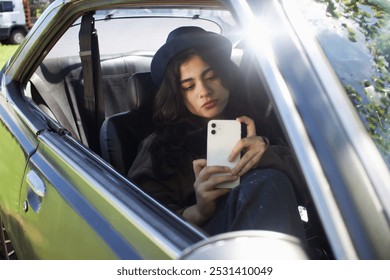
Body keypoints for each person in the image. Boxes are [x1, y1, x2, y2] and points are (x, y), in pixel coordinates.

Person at [128, 26, 307, 242]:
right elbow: (141, 223)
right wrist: (198, 210)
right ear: (177, 95)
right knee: (267, 182)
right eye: (188, 86)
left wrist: (268, 154)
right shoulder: (158, 146)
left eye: (211, 76)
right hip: (203, 246)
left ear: (227, 74)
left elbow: (318, 188)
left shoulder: (256, 123)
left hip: (271, 239)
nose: (204, 91)